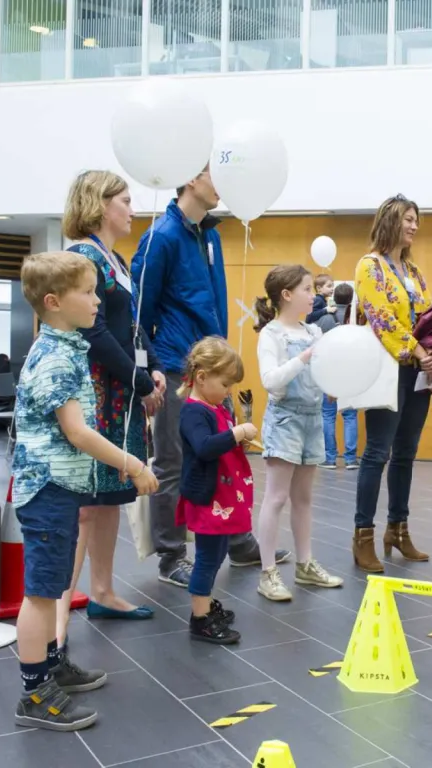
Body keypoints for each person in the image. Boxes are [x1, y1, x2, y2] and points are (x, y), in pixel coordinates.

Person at [12, 251, 158, 731]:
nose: (99, 301)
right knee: (40, 593)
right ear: (54, 302)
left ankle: (52, 665)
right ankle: (35, 692)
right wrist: (132, 463)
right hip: (48, 486)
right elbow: (77, 432)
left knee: (52, 586)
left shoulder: (67, 344)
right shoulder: (55, 356)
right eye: (88, 292)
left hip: (61, 486)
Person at [131, 166, 288, 588]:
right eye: (210, 172)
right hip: (176, 369)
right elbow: (138, 317)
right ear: (188, 178)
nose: (221, 180)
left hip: (213, 367)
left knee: (222, 454)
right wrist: (150, 374)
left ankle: (236, 541)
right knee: (172, 462)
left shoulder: (211, 236)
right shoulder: (162, 236)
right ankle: (170, 555)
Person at [58, 171, 162, 640]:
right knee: (86, 502)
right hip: (99, 389)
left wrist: (153, 366)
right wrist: (139, 380)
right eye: (124, 199)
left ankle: (101, 591)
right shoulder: (82, 256)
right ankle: (57, 616)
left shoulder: (115, 259)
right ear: (100, 205)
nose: (132, 208)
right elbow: (93, 333)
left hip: (120, 389)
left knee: (108, 498)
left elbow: (132, 325)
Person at [352, 195, 432, 573]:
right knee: (377, 453)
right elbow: (380, 318)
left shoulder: (415, 271)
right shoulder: (369, 266)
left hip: (417, 370)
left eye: (416, 220)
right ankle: (363, 536)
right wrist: (418, 350)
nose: (414, 226)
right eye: (408, 219)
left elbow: (430, 315)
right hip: (386, 367)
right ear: (390, 221)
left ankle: (398, 530)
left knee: (406, 453)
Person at [253, 265, 344, 601]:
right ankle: (268, 573)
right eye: (307, 289)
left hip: (312, 419)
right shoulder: (272, 334)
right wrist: (304, 359)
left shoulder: (314, 332)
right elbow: (270, 380)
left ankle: (305, 565)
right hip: (284, 420)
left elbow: (323, 374)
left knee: (304, 499)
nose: (314, 294)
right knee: (276, 497)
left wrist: (333, 385)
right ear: (287, 294)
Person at [176, 337, 257, 644]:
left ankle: (206, 605)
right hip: (209, 498)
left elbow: (220, 441)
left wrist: (235, 437)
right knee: (208, 558)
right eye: (225, 384)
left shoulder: (215, 406)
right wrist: (236, 433)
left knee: (219, 552)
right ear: (202, 377)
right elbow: (205, 447)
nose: (229, 392)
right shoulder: (194, 412)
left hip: (222, 497)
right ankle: (199, 618)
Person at [316, 282, 359, 470]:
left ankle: (330, 458)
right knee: (350, 415)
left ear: (334, 297)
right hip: (351, 371)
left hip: (328, 372)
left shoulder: (324, 319)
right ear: (351, 299)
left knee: (327, 415)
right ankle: (350, 459)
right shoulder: (356, 319)